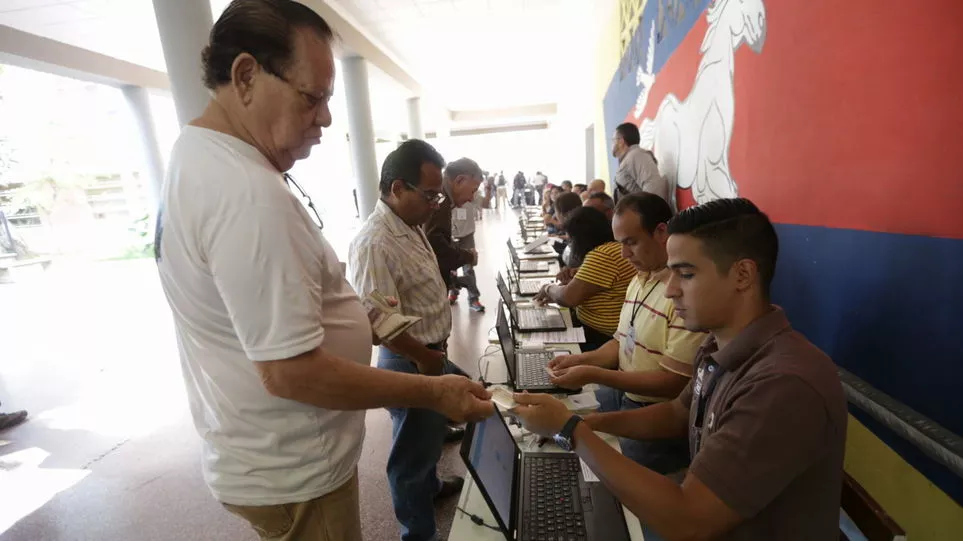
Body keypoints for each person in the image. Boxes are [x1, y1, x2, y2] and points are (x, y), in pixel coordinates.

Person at [153, 3, 492, 540]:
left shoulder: (201, 160)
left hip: (266, 456)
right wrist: (434, 390)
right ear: (245, 76)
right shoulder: (245, 193)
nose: (327, 118)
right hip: (295, 468)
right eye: (312, 97)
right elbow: (291, 371)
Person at [514, 198, 847, 541]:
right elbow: (677, 413)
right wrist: (589, 423)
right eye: (671, 272)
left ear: (743, 275)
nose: (671, 289)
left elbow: (689, 521)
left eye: (686, 274)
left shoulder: (783, 384)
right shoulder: (718, 345)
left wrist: (571, 430)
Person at [349, 140, 478, 541]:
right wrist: (424, 359)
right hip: (409, 359)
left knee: (428, 436)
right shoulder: (375, 242)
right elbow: (378, 322)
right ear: (397, 188)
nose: (435, 203)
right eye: (428, 194)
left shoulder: (409, 224)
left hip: (428, 352)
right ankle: (417, 534)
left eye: (438, 193)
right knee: (410, 455)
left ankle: (432, 487)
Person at [545, 193, 705, 473]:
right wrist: (581, 361)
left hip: (653, 417)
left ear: (661, 232)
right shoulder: (640, 278)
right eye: (620, 244)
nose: (624, 254)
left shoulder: (685, 295)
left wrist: (593, 373)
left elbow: (673, 383)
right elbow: (621, 341)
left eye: (631, 243)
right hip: (625, 395)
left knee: (622, 488)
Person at [535, 207, 635, 351]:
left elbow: (568, 298)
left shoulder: (604, 254)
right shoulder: (611, 249)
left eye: (571, 240)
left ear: (580, 238)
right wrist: (575, 281)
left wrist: (548, 289)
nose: (571, 245)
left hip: (600, 339)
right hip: (598, 334)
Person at [424, 157, 486, 313]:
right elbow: (436, 248)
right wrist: (468, 256)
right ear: (459, 180)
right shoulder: (441, 201)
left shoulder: (443, 199)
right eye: (473, 190)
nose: (472, 198)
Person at [612, 122, 667, 203]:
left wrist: (648, 214)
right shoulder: (631, 158)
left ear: (621, 141)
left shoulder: (636, 155)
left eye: (613, 140)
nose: (612, 144)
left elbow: (655, 187)